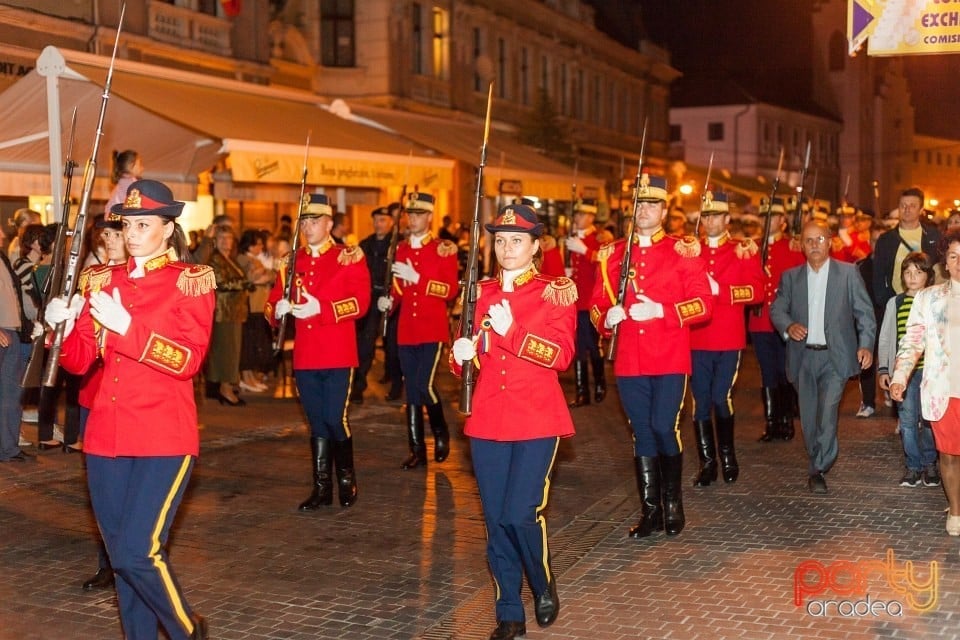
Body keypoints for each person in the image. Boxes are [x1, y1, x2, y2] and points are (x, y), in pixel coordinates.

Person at [46, 179, 215, 639]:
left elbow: (188, 360)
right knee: (120, 556)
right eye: (128, 223)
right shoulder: (101, 280)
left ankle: (186, 630)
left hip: (164, 435)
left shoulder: (190, 281)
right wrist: (59, 329)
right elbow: (80, 361)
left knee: (137, 551)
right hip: (106, 436)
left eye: (145, 224)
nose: (133, 232)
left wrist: (128, 329)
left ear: (168, 229)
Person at [450, 202, 576, 640]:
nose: (507, 248)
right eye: (500, 241)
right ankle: (508, 610)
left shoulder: (553, 291)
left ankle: (542, 582)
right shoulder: (478, 291)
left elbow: (560, 356)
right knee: (495, 518)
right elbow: (467, 354)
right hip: (488, 419)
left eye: (516, 241)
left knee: (522, 513)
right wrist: (460, 356)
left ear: (535, 246)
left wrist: (513, 333)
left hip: (537, 419)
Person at [590, 173, 713, 538]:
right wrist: (606, 319)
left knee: (663, 426)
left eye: (652, 204)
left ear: (664, 209)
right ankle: (651, 511)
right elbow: (596, 304)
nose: (644, 210)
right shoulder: (612, 254)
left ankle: (674, 504)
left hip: (669, 357)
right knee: (642, 432)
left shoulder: (682, 250)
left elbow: (704, 305)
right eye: (639, 204)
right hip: (629, 359)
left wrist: (662, 310)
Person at [267, 193, 370, 510]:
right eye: (304, 221)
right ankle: (322, 488)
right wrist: (278, 310)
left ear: (329, 224)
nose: (308, 227)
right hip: (306, 355)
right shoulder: (290, 262)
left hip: (338, 353)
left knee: (334, 418)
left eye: (314, 221)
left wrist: (320, 309)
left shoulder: (348, 257)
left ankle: (346, 480)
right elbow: (271, 303)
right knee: (316, 421)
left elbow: (360, 303)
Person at [770, 219, 876, 494]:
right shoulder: (791, 277)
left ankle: (819, 467)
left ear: (829, 242)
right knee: (808, 420)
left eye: (820, 239)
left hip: (835, 358)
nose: (815, 245)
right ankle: (816, 455)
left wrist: (865, 345)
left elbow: (864, 313)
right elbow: (777, 309)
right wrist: (788, 326)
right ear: (801, 246)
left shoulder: (848, 273)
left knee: (827, 414)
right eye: (809, 240)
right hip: (803, 357)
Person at [377, 192, 458, 469]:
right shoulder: (399, 249)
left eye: (419, 214)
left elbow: (450, 290)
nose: (413, 219)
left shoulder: (443, 248)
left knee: (424, 385)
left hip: (431, 329)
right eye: (410, 214)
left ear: (430, 216)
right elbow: (398, 288)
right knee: (412, 390)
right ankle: (416, 449)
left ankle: (440, 431)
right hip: (406, 330)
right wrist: (389, 300)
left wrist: (419, 279)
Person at [688, 191, 763, 486]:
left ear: (727, 218)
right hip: (696, 337)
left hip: (728, 337)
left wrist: (721, 291)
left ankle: (728, 455)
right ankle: (708, 462)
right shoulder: (691, 250)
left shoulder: (742, 249)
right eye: (706, 216)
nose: (710, 221)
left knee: (721, 397)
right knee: (700, 401)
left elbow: (756, 291)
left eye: (716, 215)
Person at [891, 232, 960, 537]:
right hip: (942, 390)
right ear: (945, 261)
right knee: (948, 454)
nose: (959, 262)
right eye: (954, 256)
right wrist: (899, 376)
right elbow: (912, 341)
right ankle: (956, 511)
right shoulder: (928, 298)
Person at [77, 213, 129, 591]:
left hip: (125, 396)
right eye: (105, 234)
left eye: (116, 232)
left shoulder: (142, 281)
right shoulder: (92, 279)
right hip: (92, 392)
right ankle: (107, 561)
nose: (109, 240)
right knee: (101, 489)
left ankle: (129, 561)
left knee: (127, 487)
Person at [878, 252, 940, 488]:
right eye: (908, 272)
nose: (912, 277)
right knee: (907, 421)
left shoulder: (933, 301)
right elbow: (885, 338)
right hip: (904, 374)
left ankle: (930, 463)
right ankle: (913, 466)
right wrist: (884, 369)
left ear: (928, 276)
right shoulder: (895, 303)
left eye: (918, 272)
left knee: (929, 420)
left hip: (930, 372)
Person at [748, 198, 805, 442]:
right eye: (763, 217)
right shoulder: (752, 247)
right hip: (760, 322)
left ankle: (786, 421)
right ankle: (772, 423)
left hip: (785, 321)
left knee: (785, 371)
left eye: (772, 217)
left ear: (782, 221)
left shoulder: (792, 248)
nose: (767, 222)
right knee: (767, 372)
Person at [355, 204, 402, 404]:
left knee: (393, 346)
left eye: (382, 220)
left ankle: (396, 385)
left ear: (390, 222)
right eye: (375, 220)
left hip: (393, 298)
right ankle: (358, 386)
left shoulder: (398, 245)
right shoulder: (365, 244)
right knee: (365, 345)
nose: (378, 224)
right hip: (371, 298)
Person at [564, 198, 606, 407]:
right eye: (576, 215)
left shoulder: (600, 237)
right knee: (578, 346)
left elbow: (608, 262)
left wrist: (585, 252)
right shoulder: (571, 238)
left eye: (580, 215)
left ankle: (599, 383)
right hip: (575, 301)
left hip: (592, 302)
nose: (576, 218)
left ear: (590, 217)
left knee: (593, 344)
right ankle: (582, 392)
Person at [205, 226, 250, 405]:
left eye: (229, 238)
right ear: (215, 240)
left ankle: (228, 385)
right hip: (223, 312)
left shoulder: (229, 259)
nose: (226, 242)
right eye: (222, 238)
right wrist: (244, 284)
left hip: (234, 311)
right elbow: (220, 282)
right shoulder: (215, 259)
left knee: (232, 350)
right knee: (225, 351)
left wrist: (244, 283)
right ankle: (224, 388)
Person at [0, 244, 32, 462]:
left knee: (11, 395)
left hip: (12, 330)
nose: (2, 234)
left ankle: (7, 447)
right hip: (3, 330)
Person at [236, 229, 275, 393]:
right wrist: (263, 274)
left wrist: (265, 274)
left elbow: (271, 276)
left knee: (255, 343)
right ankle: (246, 378)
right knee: (250, 344)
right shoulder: (243, 259)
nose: (260, 247)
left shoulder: (254, 259)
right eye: (257, 243)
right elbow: (252, 279)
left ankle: (251, 377)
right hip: (251, 305)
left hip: (259, 304)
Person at [104, 149, 143, 215]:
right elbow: (133, 205)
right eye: (139, 164)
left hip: (114, 215)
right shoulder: (128, 183)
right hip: (115, 217)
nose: (142, 168)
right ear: (130, 166)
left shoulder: (126, 181)